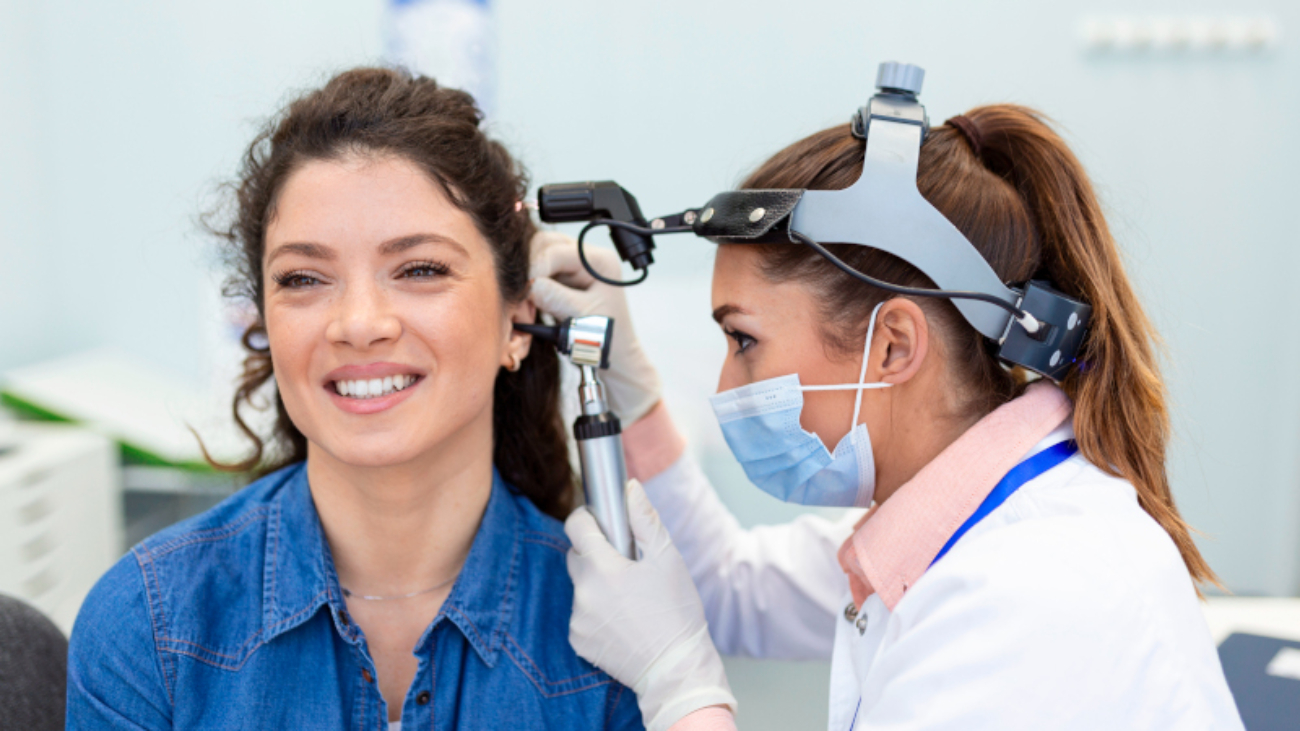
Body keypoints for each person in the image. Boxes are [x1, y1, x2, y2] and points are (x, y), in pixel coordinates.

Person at [532, 104, 1245, 730]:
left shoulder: (1027, 593)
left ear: (893, 345)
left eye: (745, 340)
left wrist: (676, 683)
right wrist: (632, 387)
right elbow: (727, 586)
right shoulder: (958, 518)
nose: (727, 384)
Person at [66, 68, 643, 730]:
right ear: (263, 322)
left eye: (420, 269)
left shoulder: (616, 632)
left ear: (518, 320)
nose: (359, 322)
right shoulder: (149, 625)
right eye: (304, 278)